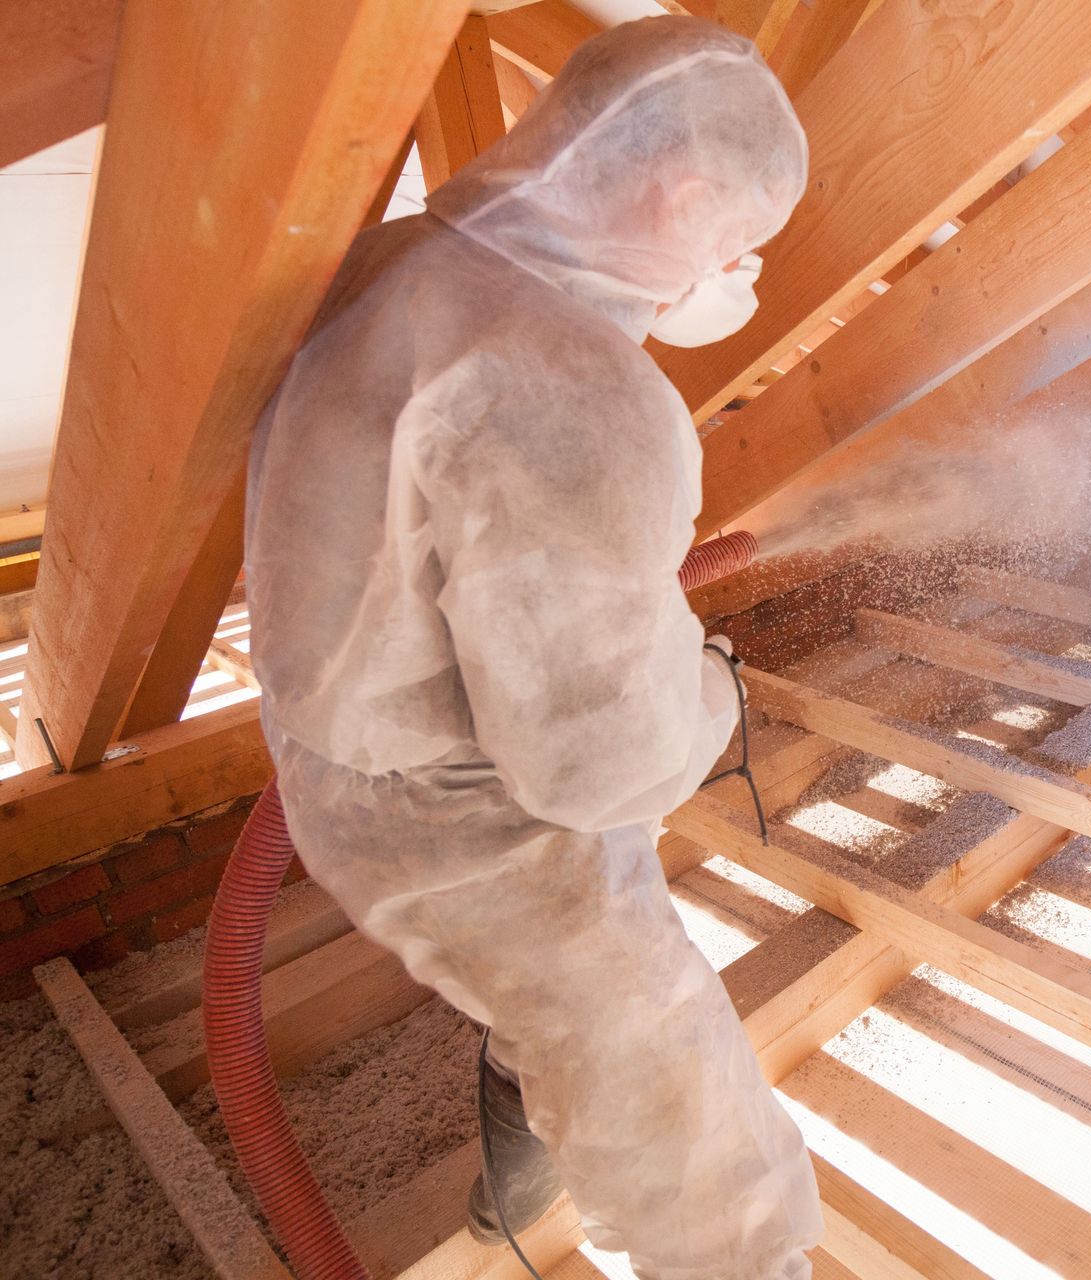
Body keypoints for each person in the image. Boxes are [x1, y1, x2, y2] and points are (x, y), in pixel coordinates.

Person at [243, 16, 819, 1279]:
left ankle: (511, 1201)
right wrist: (707, 701)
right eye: (738, 246)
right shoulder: (576, 386)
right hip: (472, 828)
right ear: (673, 194)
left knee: (531, 1028)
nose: (738, 278)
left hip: (337, 757)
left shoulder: (387, 257)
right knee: (675, 1095)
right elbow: (595, 764)